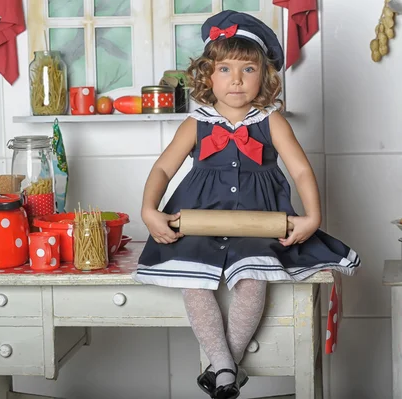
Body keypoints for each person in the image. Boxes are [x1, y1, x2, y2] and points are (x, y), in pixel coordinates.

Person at [135, 10, 361, 399]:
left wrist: (312, 217)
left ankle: (223, 366)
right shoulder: (195, 124)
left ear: (266, 76)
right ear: (207, 75)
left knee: (254, 279)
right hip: (198, 223)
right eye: (224, 68)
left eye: (248, 68)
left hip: (260, 223)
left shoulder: (272, 122)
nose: (236, 79)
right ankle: (226, 368)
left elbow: (303, 172)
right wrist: (148, 210)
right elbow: (161, 170)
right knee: (194, 284)